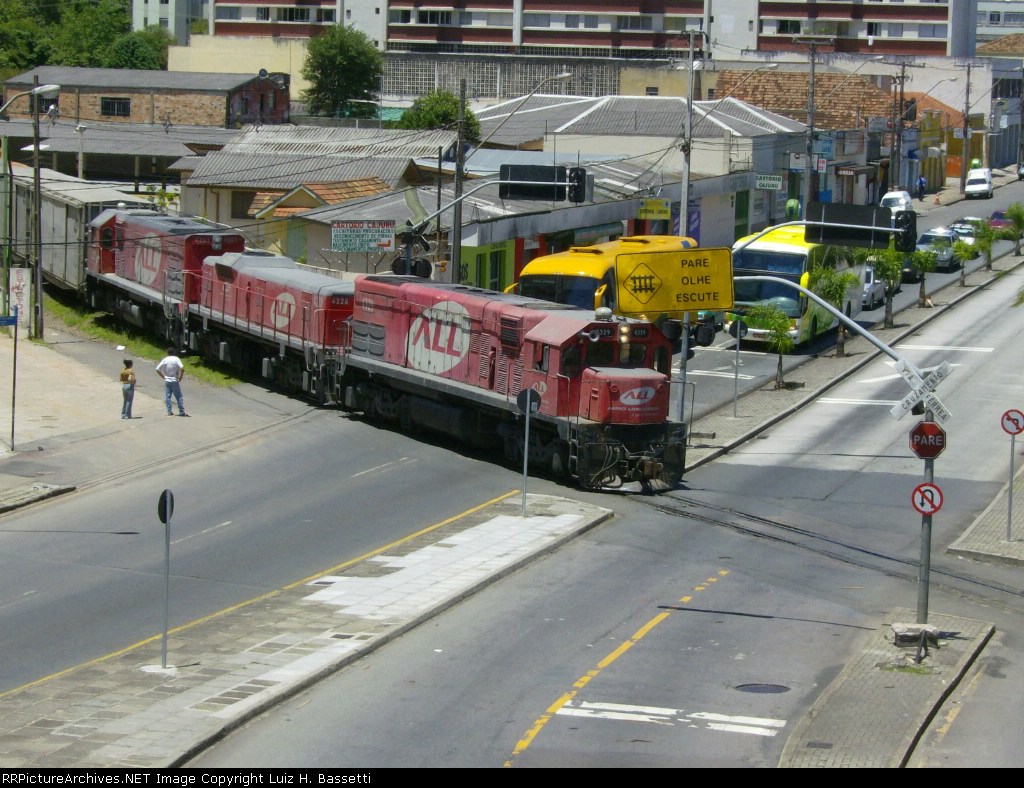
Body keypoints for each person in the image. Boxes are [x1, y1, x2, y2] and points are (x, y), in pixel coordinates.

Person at [156, 347, 187, 417]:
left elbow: (157, 369)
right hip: (174, 379)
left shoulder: (165, 359)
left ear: (167, 353)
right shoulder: (176, 359)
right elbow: (182, 368)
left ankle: (169, 411)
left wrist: (163, 376)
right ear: (174, 352)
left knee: (168, 396)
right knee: (179, 396)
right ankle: (181, 411)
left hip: (167, 380)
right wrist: (180, 377)